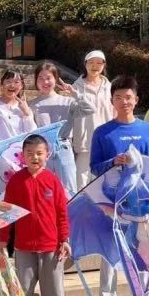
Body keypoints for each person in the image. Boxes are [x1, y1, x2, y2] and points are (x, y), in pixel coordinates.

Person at [90, 75, 149, 296]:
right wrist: (113, 162)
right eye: (118, 97)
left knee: (143, 256)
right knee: (111, 257)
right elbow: (94, 168)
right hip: (113, 206)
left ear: (136, 100)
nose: (124, 102)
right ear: (112, 101)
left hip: (142, 206)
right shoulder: (103, 132)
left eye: (128, 97)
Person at [0, 134, 71, 296]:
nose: (35, 157)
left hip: (51, 247)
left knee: (53, 291)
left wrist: (64, 240)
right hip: (24, 247)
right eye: (29, 153)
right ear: (23, 156)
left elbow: (62, 214)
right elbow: (7, 212)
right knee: (23, 291)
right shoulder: (16, 181)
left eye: (39, 153)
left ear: (47, 155)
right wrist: (3, 240)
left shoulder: (53, 181)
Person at [29, 61, 94, 197]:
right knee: (43, 191)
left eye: (49, 78)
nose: (45, 82)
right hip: (41, 150)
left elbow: (90, 109)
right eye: (41, 78)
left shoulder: (67, 102)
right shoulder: (31, 104)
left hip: (63, 147)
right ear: (36, 81)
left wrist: (74, 93)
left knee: (68, 191)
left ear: (56, 79)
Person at [71, 50, 113, 189]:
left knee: (102, 182)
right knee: (81, 183)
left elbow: (115, 112)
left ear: (104, 65)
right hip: (84, 142)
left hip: (105, 140)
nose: (95, 66)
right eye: (91, 62)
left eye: (99, 63)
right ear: (85, 64)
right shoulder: (76, 87)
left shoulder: (110, 88)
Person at [0, 69, 37, 147]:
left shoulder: (25, 108)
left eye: (16, 82)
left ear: (21, 86)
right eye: (8, 81)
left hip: (21, 151)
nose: (12, 85)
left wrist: (26, 114)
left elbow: (32, 134)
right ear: (1, 85)